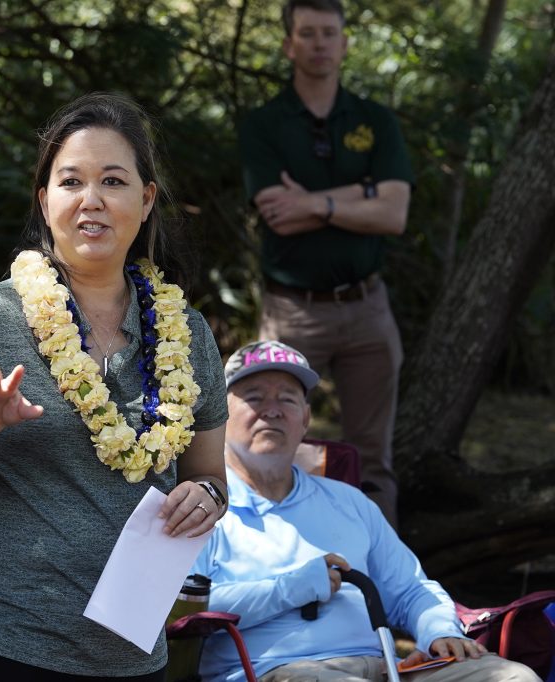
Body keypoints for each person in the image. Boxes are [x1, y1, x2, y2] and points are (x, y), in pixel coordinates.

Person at [0, 92, 231, 681]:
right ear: (45, 199)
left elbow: (210, 478)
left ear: (147, 198)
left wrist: (206, 498)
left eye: (113, 180)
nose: (92, 201)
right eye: (71, 181)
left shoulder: (190, 334)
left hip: (132, 654)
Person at [190, 340, 540, 682]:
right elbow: (184, 609)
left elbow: (410, 589)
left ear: (306, 419)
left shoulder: (349, 501)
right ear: (219, 415)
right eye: (254, 397)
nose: (273, 409)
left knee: (513, 676)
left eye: (288, 398)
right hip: (276, 670)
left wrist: (438, 632)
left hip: (384, 665)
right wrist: (292, 587)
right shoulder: (203, 506)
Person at [239, 0, 414, 527]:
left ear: (344, 43)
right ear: (289, 44)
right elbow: (278, 216)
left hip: (367, 307)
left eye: (329, 33)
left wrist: (314, 202)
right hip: (294, 310)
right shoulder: (264, 124)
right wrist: (362, 194)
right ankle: (290, 556)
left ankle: (378, 571)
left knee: (373, 458)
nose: (319, 43)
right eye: (307, 33)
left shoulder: (374, 121)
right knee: (278, 444)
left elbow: (395, 213)